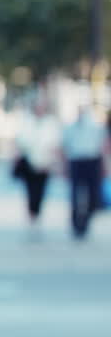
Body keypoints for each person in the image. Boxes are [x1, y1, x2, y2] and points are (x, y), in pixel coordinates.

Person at [13, 97, 61, 226]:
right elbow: (20, 142)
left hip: (44, 162)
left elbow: (55, 144)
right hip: (29, 161)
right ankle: (31, 212)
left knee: (40, 189)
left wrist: (54, 162)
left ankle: (36, 211)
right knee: (30, 189)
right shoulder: (27, 122)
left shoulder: (50, 124)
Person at [61, 104, 106, 240]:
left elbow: (103, 147)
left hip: (92, 161)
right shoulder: (70, 128)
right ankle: (76, 224)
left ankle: (86, 220)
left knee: (94, 196)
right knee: (75, 194)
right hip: (76, 162)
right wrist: (64, 167)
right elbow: (65, 147)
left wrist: (104, 167)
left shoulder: (96, 128)